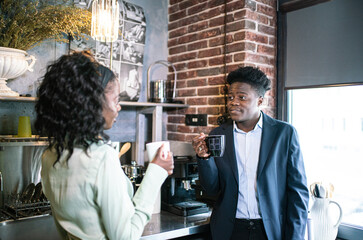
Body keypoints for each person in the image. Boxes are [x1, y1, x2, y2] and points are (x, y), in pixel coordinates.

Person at [35, 51, 174, 240]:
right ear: (93, 104)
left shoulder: (49, 156)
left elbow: (63, 228)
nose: (119, 107)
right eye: (116, 99)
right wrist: (156, 171)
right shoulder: (101, 158)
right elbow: (126, 237)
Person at [192, 66, 309, 240]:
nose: (233, 102)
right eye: (230, 97)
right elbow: (212, 188)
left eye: (242, 97)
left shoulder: (284, 134)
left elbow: (298, 194)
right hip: (229, 231)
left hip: (270, 231)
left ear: (260, 101)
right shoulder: (218, 135)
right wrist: (204, 158)